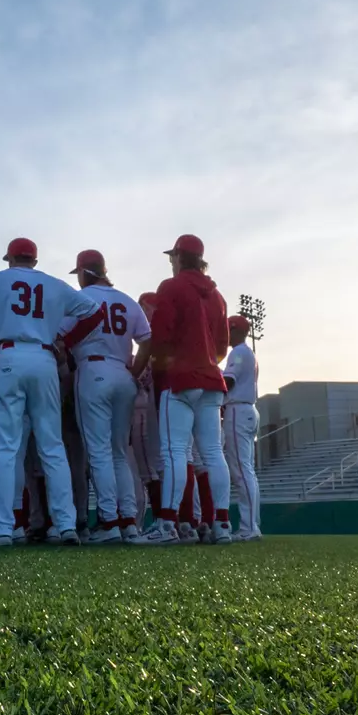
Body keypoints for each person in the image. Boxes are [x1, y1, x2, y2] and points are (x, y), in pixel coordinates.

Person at [0, 238, 104, 547]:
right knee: (52, 446)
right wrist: (65, 340)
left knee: (4, 448)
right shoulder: (52, 283)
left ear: (10, 258)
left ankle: (1, 529)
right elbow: (95, 313)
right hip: (44, 357)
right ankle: (66, 525)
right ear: (34, 261)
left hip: (9, 355)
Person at [139, 233, 232, 546]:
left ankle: (166, 524)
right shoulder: (217, 296)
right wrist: (206, 361)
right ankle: (221, 524)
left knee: (174, 451)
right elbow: (222, 347)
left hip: (180, 380)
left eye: (172, 256)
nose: (171, 261)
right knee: (213, 453)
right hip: (211, 380)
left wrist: (166, 361)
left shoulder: (172, 286)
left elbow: (161, 334)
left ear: (179, 256)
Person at [62, 250, 152, 543]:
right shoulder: (126, 300)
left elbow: (60, 337)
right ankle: (128, 523)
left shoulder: (80, 300)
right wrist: (135, 373)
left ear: (84, 272)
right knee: (118, 454)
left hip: (93, 370)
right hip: (122, 373)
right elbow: (147, 341)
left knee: (99, 452)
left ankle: (109, 522)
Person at [222, 314, 262, 540]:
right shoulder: (247, 352)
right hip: (247, 410)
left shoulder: (238, 352)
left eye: (228, 329)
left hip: (238, 409)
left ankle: (249, 527)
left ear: (235, 330)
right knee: (247, 471)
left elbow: (228, 381)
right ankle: (252, 525)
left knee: (241, 470)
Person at [128, 291, 161, 527]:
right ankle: (183, 520)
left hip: (145, 411)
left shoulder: (152, 341)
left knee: (148, 471)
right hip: (160, 410)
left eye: (144, 307)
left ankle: (161, 519)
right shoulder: (162, 337)